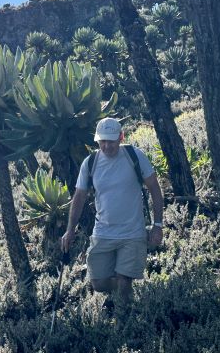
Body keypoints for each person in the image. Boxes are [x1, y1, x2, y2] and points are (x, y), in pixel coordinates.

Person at [61, 117, 164, 309]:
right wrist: (70, 229)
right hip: (103, 232)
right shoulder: (90, 163)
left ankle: (124, 318)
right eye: (103, 141)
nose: (107, 146)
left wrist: (157, 225)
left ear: (121, 137)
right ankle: (126, 295)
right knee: (98, 283)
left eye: (111, 141)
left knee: (124, 280)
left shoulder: (134, 156)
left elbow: (155, 189)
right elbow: (79, 197)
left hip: (133, 233)